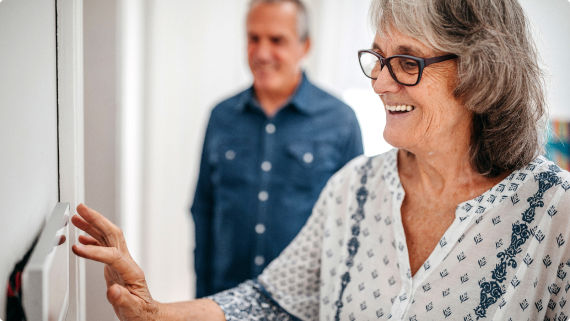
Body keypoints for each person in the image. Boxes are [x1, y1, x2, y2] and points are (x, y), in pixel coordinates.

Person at [72, 0, 570, 319]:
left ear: (481, 72)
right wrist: (156, 313)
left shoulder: (555, 213)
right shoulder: (355, 188)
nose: (379, 81)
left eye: (407, 62)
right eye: (377, 57)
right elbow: (273, 299)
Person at [190, 0, 363, 298]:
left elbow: (355, 222)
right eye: (253, 38)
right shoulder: (221, 117)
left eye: (277, 40)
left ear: (304, 46)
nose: (262, 53)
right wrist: (203, 300)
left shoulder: (340, 120)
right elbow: (203, 208)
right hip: (226, 299)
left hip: (305, 306)